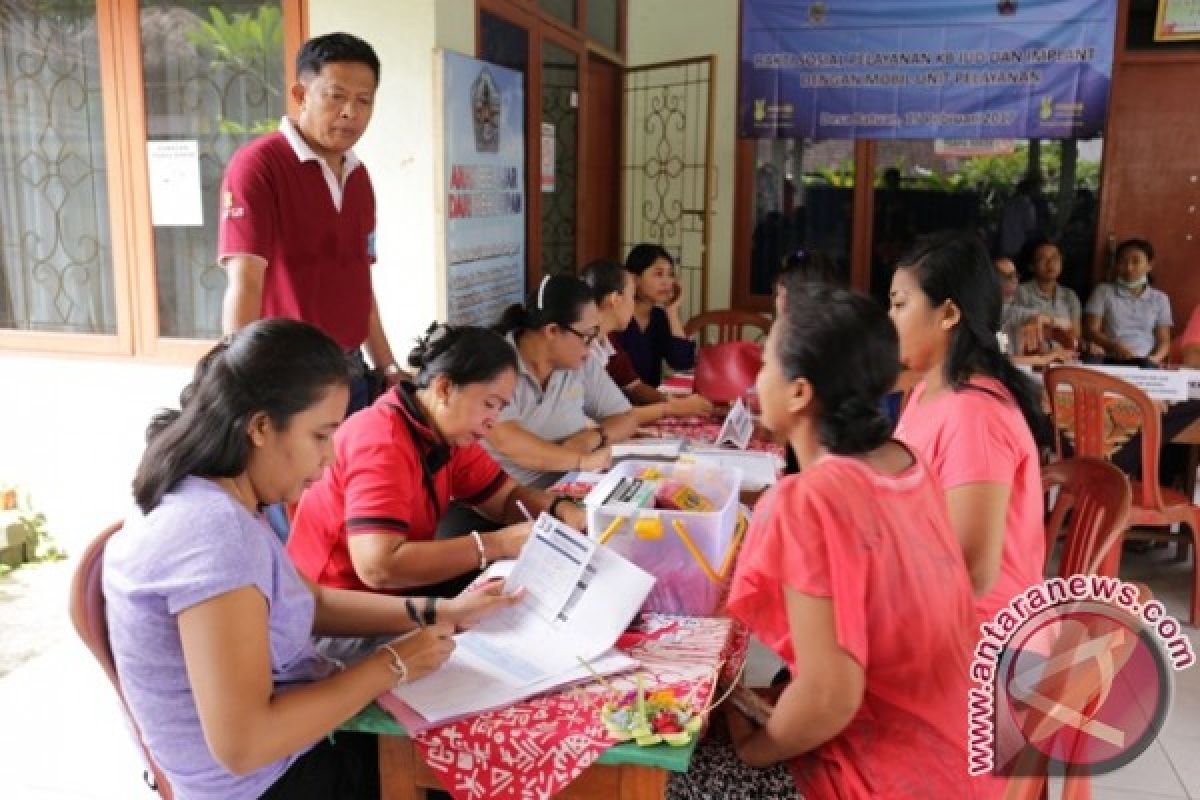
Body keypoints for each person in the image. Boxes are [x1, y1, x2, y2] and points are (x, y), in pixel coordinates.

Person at [103, 319, 517, 800]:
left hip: (295, 752)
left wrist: (443, 611)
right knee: (475, 768)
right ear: (260, 427)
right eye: (321, 437)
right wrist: (392, 664)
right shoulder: (214, 534)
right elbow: (245, 744)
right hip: (272, 783)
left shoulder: (221, 502)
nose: (326, 464)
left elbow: (308, 600)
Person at [667, 280, 984, 799]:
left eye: (766, 365)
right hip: (957, 751)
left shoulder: (808, 498)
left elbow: (831, 697)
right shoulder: (903, 462)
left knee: (666, 776)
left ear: (799, 391)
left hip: (888, 773)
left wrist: (757, 748)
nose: (758, 377)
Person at [287, 324, 588, 655]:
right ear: (445, 388)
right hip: (333, 621)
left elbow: (504, 498)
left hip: (394, 600)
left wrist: (559, 507)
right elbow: (378, 566)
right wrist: (496, 544)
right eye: (489, 404)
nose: (493, 421)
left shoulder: (444, 431)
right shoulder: (382, 439)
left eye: (500, 409)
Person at [218, 33, 404, 416]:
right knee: (299, 478)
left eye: (364, 100)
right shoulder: (259, 165)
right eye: (336, 96)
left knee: (351, 475)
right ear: (301, 95)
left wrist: (387, 366)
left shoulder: (358, 177)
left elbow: (359, 282)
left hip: (350, 370)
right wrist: (238, 383)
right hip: (285, 374)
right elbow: (246, 281)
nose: (351, 112)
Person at [890, 232, 1045, 624]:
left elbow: (971, 572)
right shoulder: (928, 391)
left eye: (900, 304)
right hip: (936, 611)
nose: (889, 318)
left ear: (948, 314)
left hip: (983, 637)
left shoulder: (975, 416)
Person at [485, 274, 640, 487]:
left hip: (568, 487)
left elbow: (627, 418)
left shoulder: (579, 364)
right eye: (586, 336)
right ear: (552, 331)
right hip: (507, 500)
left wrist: (594, 437)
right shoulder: (493, 365)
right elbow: (509, 442)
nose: (591, 346)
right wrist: (580, 460)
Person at [580, 258, 712, 422]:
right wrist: (672, 408)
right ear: (615, 300)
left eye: (670, 274)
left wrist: (674, 404)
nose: (667, 282)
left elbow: (630, 391)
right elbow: (612, 414)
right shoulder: (580, 348)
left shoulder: (603, 342)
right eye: (632, 296)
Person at [1084, 237, 1173, 367]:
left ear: (1149, 265)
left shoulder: (1160, 299)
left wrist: (1154, 359)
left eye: (1136, 261)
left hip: (1146, 361)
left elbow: (1164, 341)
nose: (1129, 267)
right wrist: (1113, 346)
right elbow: (1090, 330)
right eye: (1123, 261)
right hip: (1111, 358)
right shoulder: (1103, 291)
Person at [618, 244, 696, 387]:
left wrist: (672, 311)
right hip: (620, 403)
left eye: (670, 274)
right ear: (634, 279)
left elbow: (683, 363)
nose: (667, 282)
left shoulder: (659, 317)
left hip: (652, 402)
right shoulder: (618, 318)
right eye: (658, 274)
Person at [1015, 240, 1083, 345]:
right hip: (1033, 357)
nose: (1050, 263)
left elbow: (1075, 336)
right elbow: (1017, 332)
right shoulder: (1020, 292)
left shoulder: (1070, 296)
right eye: (1043, 259)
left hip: (1065, 357)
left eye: (1055, 258)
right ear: (1031, 266)